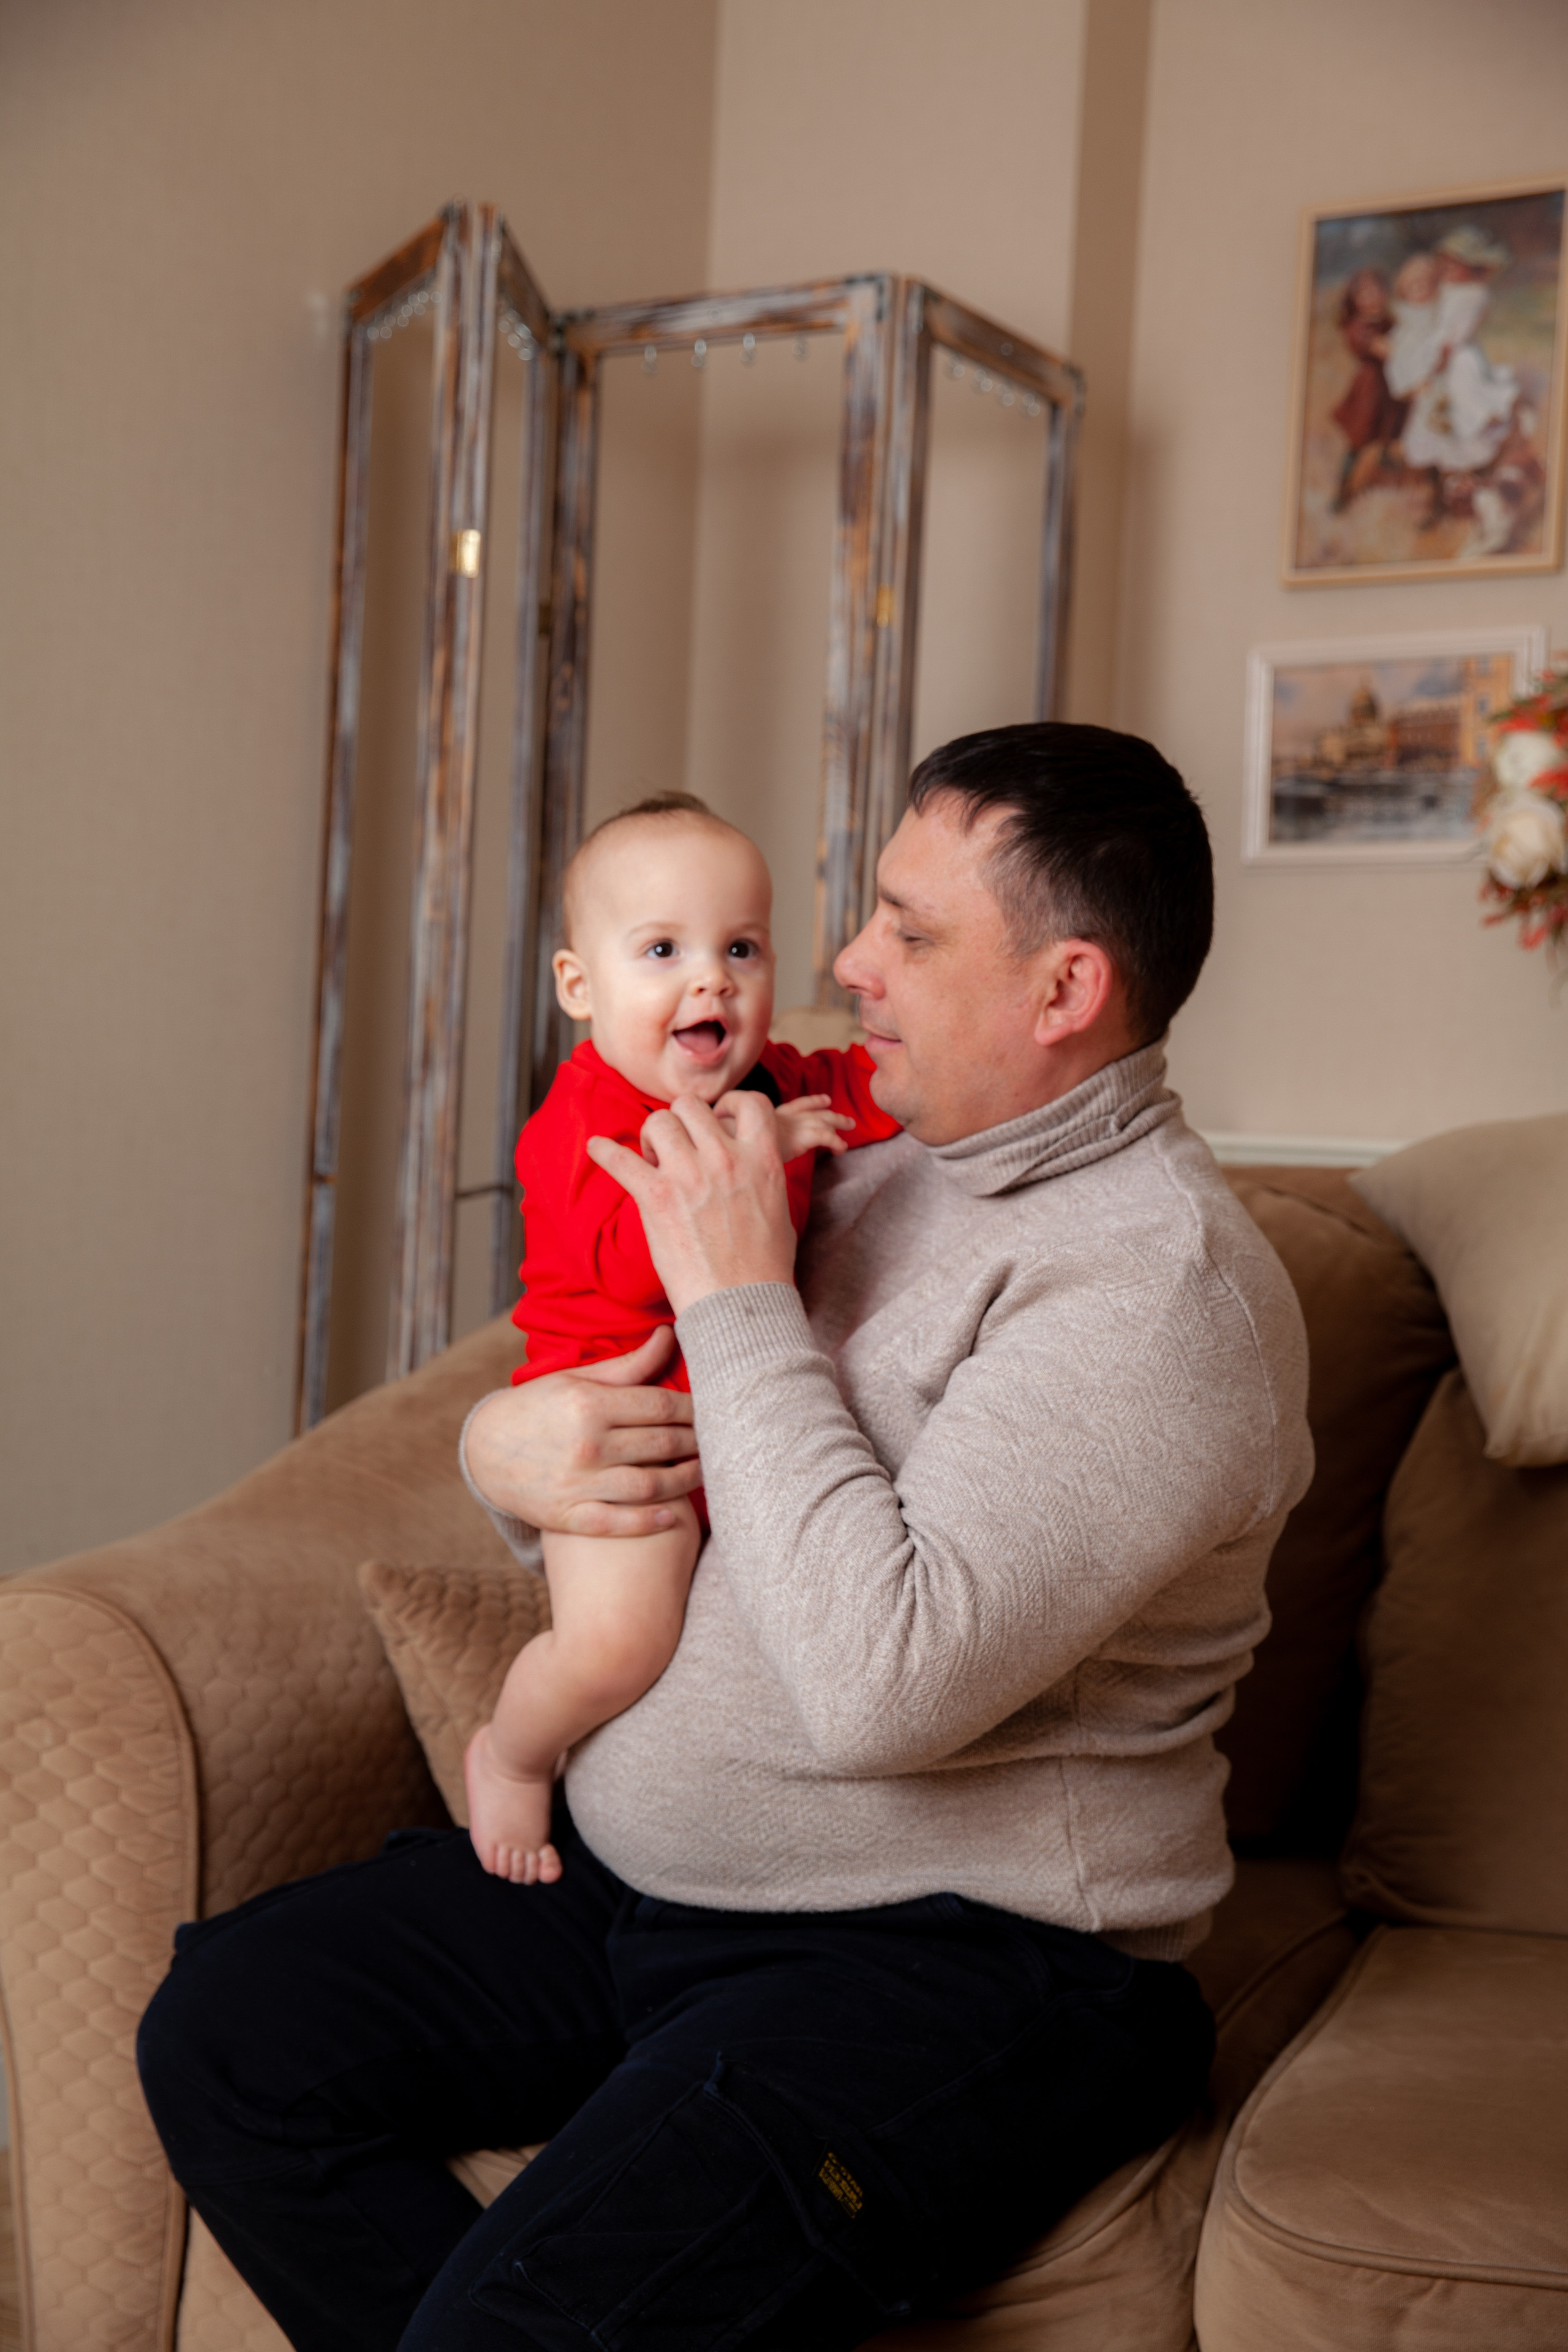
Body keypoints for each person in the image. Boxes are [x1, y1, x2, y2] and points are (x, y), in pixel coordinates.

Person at [137, 723, 1313, 2352]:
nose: (847, 965)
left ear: (1065, 991)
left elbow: (881, 1687)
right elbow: (649, 1410)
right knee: (231, 2031)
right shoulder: (882, 1162)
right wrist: (506, 1444)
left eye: (907, 931)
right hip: (653, 1886)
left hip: (956, 1966)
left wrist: (743, 1291)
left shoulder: (1159, 1295)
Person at [465, 791, 899, 1888]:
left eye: (740, 949)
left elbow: (865, 1089)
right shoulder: (580, 1124)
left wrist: (901, 1098)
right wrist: (763, 1153)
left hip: (737, 1432)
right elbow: (633, 1253)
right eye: (662, 950)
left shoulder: (767, 1083)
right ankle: (512, 1754)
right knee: (619, 1646)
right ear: (580, 986)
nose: (711, 980)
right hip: (623, 1433)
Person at [1329, 266, 1407, 510]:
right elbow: (1386, 351)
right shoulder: (1358, 327)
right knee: (1360, 440)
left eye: (1377, 291)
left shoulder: (1387, 320)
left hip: (1392, 389)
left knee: (1392, 431)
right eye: (1365, 293)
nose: (1373, 297)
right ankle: (1342, 494)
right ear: (1354, 300)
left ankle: (1386, 476)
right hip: (1370, 391)